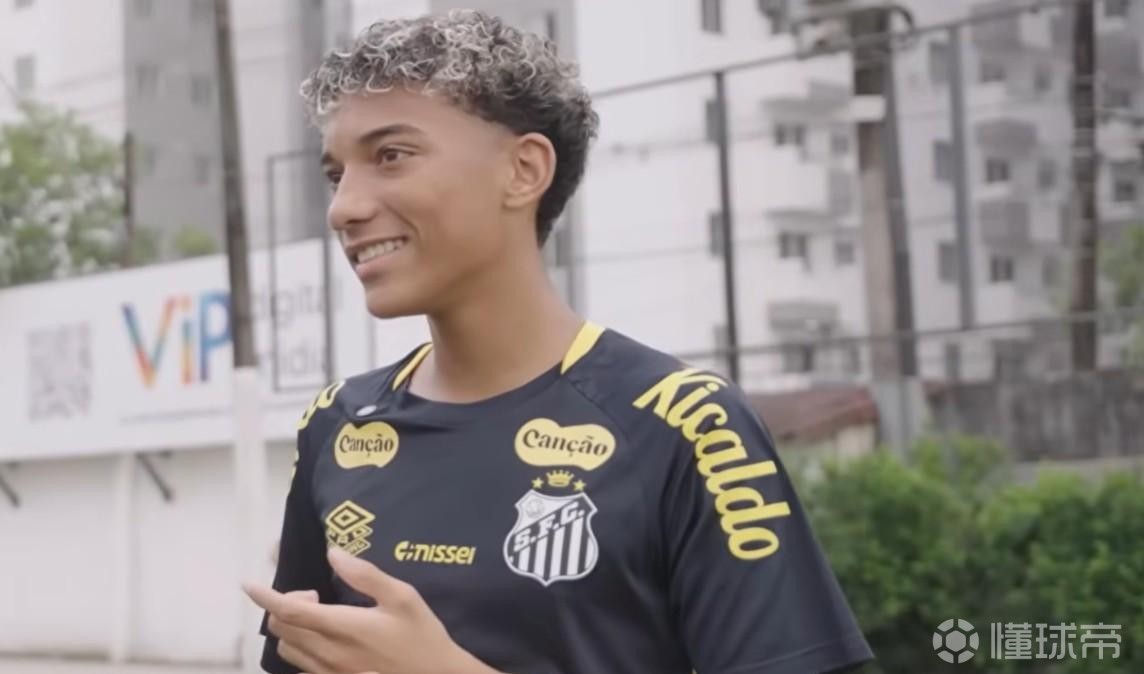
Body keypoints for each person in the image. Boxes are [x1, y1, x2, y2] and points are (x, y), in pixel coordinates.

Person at [243, 9, 874, 674]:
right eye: (336, 175)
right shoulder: (337, 423)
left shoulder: (687, 427)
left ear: (524, 170)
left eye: (391, 156)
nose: (344, 208)